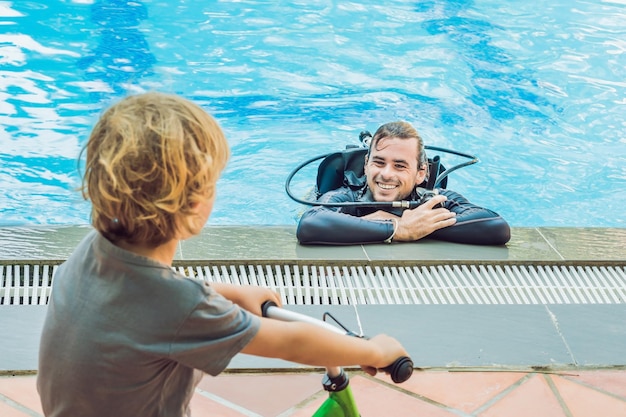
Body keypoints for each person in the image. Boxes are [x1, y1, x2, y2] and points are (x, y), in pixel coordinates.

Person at [36, 92, 408, 417]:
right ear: (197, 205)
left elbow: (146, 293)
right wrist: (372, 350)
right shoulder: (182, 308)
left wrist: (228, 292)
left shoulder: (94, 249)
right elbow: (288, 342)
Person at [296, 121, 511, 245]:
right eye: (378, 162)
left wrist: (417, 224)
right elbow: (310, 223)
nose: (386, 174)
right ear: (366, 165)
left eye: (400, 166)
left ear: (420, 173)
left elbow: (496, 227)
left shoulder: (429, 199)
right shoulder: (348, 194)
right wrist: (397, 228)